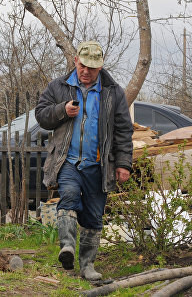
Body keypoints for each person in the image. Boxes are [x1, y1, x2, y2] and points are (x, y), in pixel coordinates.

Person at [35, 40, 133, 281]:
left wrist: (123, 163)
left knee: (93, 215)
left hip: (99, 165)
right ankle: (67, 247)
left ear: (100, 67)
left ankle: (87, 266)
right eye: (82, 65)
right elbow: (41, 116)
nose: (86, 71)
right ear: (75, 61)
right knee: (68, 195)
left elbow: (123, 130)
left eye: (92, 68)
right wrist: (61, 110)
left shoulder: (113, 92)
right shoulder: (58, 87)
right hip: (68, 161)